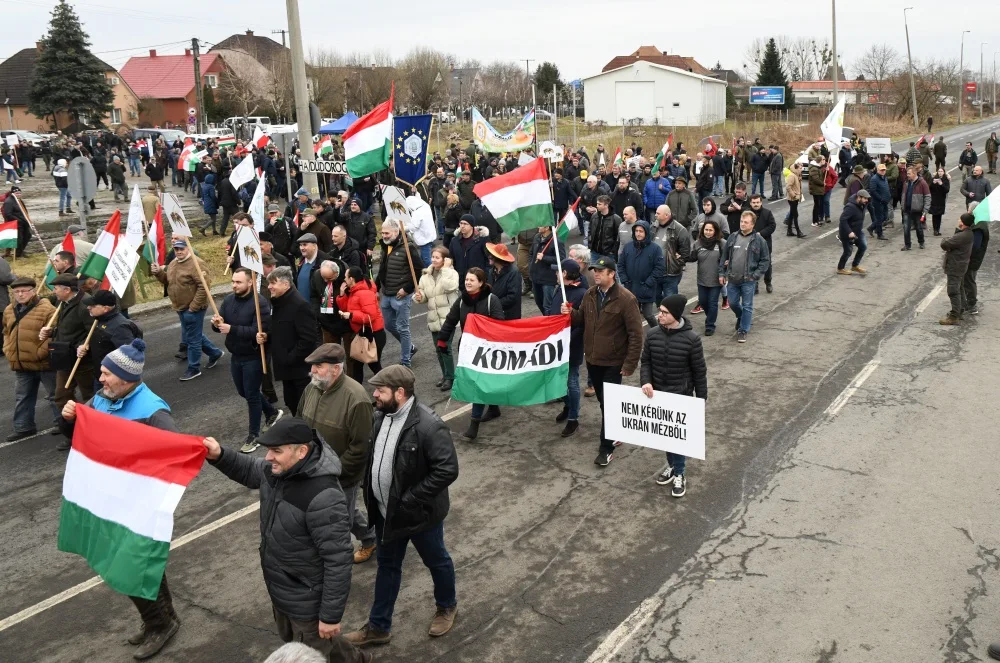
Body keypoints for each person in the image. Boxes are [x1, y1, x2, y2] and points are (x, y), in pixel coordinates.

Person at [202, 418, 371, 663]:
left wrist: (330, 616)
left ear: (301, 451)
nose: (269, 457)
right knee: (318, 642)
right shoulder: (281, 470)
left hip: (306, 600)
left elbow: (338, 560)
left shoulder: (324, 496)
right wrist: (219, 455)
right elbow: (250, 469)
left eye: (276, 451)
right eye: (269, 450)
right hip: (284, 590)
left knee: (311, 647)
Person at [60, 340, 182, 660]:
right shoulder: (103, 398)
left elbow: (172, 457)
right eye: (101, 373)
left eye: (105, 374)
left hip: (139, 503)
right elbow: (79, 434)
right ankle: (163, 617)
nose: (99, 380)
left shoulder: (152, 410)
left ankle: (159, 625)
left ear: (125, 378)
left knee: (127, 567)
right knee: (138, 565)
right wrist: (69, 417)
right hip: (110, 500)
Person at [344, 365, 459, 648]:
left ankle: (447, 606)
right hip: (386, 514)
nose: (375, 395)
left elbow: (447, 470)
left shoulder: (429, 425)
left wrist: (409, 499)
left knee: (437, 561)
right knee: (387, 567)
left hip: (419, 515)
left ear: (400, 392)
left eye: (380, 390)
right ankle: (379, 626)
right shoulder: (380, 416)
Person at [297, 343, 378, 565]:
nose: (312, 370)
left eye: (319, 366)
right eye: (313, 365)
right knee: (345, 511)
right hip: (312, 470)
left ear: (336, 368)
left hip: (340, 476)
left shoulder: (356, 398)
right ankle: (371, 538)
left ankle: (336, 570)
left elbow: (361, 447)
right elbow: (299, 424)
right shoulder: (312, 388)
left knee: (338, 522)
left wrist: (334, 474)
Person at [561, 257, 644, 466]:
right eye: (594, 271)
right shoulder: (590, 294)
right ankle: (615, 430)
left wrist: (629, 364)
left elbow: (636, 334)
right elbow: (582, 320)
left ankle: (605, 448)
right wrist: (571, 313)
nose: (595, 274)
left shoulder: (626, 299)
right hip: (593, 360)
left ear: (611, 274)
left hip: (614, 362)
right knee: (603, 401)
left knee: (609, 404)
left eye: (600, 271)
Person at [642, 294, 708, 498]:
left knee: (676, 438)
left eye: (664, 312)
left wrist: (701, 398)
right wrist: (645, 381)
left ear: (676, 315)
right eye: (659, 311)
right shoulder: (652, 335)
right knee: (665, 436)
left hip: (681, 395)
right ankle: (672, 466)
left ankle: (679, 473)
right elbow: (646, 362)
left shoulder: (692, 339)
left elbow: (699, 371)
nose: (659, 315)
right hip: (658, 395)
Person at [211, 268, 282, 453]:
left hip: (254, 356)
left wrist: (231, 329)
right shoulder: (228, 300)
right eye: (233, 282)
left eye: (238, 282)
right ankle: (272, 413)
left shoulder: (261, 304)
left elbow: (259, 332)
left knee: (251, 394)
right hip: (236, 354)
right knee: (243, 392)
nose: (234, 285)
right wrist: (216, 323)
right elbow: (220, 327)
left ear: (250, 283)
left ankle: (254, 436)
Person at [436, 267, 504, 440]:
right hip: (468, 348)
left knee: (478, 384)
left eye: (471, 280)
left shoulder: (491, 300)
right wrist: (442, 340)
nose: (467, 282)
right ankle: (494, 408)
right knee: (479, 381)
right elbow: (450, 321)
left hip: (487, 349)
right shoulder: (461, 301)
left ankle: (474, 425)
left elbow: (499, 325)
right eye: (466, 279)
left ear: (481, 283)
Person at [151, 239, 224, 381]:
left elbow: (204, 287)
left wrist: (193, 308)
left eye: (181, 249)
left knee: (193, 339)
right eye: (176, 249)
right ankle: (214, 353)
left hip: (193, 309)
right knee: (194, 334)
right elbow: (168, 281)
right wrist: (159, 273)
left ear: (188, 248)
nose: (178, 251)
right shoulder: (173, 263)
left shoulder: (197, 264)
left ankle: (194, 368)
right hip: (180, 307)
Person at [40, 274, 95, 450]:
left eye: (56, 288)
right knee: (61, 396)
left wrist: (83, 346)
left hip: (82, 361)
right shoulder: (62, 303)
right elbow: (67, 328)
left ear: (67, 290)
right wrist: (51, 332)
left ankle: (93, 434)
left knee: (89, 398)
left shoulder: (85, 304)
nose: (53, 291)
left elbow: (92, 331)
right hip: (65, 358)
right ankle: (74, 434)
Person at [3, 276, 59, 441]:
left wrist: (39, 352)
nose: (20, 294)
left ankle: (63, 424)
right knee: (23, 396)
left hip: (43, 363)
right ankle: (23, 427)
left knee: (54, 394)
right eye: (16, 292)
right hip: (21, 363)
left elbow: (53, 335)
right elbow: (6, 332)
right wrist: (8, 350)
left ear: (33, 291)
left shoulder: (47, 309)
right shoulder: (8, 310)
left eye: (24, 291)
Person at [262, 267, 319, 415]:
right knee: (291, 403)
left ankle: (312, 436)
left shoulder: (300, 306)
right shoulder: (278, 303)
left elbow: (308, 339)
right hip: (286, 369)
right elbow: (281, 330)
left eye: (273, 283)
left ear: (286, 284)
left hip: (299, 370)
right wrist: (267, 336)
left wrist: (289, 358)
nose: (269, 287)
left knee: (304, 407)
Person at [719, 211, 771, 343]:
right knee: (733, 303)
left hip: (748, 280)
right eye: (742, 221)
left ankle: (743, 330)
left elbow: (765, 260)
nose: (742, 224)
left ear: (752, 224)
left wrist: (756, 275)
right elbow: (724, 256)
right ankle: (742, 317)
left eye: (746, 222)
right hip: (732, 279)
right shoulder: (733, 237)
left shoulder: (759, 240)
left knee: (747, 305)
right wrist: (722, 273)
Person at [376, 219, 422, 367]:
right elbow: (382, 270)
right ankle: (410, 348)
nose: (384, 235)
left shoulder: (409, 248)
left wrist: (407, 289)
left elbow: (419, 271)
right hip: (386, 294)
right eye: (382, 232)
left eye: (387, 233)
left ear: (396, 232)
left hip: (401, 295)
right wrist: (376, 287)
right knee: (389, 325)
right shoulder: (385, 247)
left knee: (403, 328)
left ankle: (405, 362)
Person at [415, 247, 460, 391]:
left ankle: (450, 378)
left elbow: (450, 287)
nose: (434, 260)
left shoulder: (452, 273)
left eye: (437, 257)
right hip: (434, 318)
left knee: (445, 347)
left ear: (445, 260)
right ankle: (445, 375)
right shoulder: (425, 276)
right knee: (438, 349)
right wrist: (419, 297)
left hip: (448, 318)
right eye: (433, 257)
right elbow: (424, 296)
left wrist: (446, 269)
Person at [77, 289, 140, 385]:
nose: (88, 307)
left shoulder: (120, 327)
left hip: (114, 381)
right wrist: (86, 346)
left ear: (105, 308)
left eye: (93, 306)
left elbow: (129, 356)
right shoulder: (99, 320)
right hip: (102, 376)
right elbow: (103, 344)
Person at [337, 266, 386, 384]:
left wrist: (351, 315)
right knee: (358, 365)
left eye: (346, 277)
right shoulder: (354, 291)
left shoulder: (363, 293)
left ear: (352, 279)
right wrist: (342, 295)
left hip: (373, 335)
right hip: (365, 333)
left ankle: (389, 390)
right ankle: (359, 393)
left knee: (373, 365)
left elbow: (370, 316)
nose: (344, 280)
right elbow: (347, 308)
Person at [618, 220, 665, 327]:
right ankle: (635, 336)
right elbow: (620, 265)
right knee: (632, 315)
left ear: (646, 233)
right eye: (636, 231)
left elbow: (659, 268)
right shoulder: (628, 247)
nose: (638, 233)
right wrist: (625, 280)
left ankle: (658, 331)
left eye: (641, 231)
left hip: (647, 288)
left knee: (648, 315)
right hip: (631, 288)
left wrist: (649, 282)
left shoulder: (655, 249)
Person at [686, 218, 725, 336]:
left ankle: (710, 325)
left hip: (716, 279)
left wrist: (724, 273)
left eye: (710, 230)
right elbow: (692, 258)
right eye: (706, 230)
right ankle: (711, 317)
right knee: (703, 302)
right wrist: (681, 256)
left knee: (713, 303)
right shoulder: (698, 243)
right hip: (702, 279)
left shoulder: (722, 243)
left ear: (715, 231)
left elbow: (727, 259)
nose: (708, 232)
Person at [939, 213, 975, 326]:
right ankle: (961, 309)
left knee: (953, 290)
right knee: (959, 288)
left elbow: (944, 243)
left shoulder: (962, 236)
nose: (958, 220)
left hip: (955, 266)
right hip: (961, 265)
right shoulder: (968, 233)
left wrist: (947, 238)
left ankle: (954, 316)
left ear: (963, 223)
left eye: (960, 219)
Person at [650, 204, 691, 299]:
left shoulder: (680, 230)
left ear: (666, 215)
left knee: (670, 299)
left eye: (658, 213)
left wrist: (676, 263)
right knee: (656, 297)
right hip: (655, 272)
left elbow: (685, 253)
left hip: (670, 274)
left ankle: (673, 314)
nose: (655, 215)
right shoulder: (653, 227)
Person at [529, 224, 566, 315]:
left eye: (540, 225)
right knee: (539, 301)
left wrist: (544, 258)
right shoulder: (537, 237)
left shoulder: (557, 242)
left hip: (548, 279)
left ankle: (549, 322)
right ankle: (546, 317)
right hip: (536, 276)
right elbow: (531, 253)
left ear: (547, 228)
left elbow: (561, 259)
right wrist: (531, 265)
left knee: (548, 305)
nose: (538, 227)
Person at [485, 241, 522, 321]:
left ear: (497, 258)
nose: (489, 257)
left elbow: (512, 297)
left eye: (491, 255)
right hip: (495, 313)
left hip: (509, 315)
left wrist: (494, 304)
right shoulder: (492, 271)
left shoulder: (514, 272)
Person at [837, 190, 870, 275]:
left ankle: (855, 266)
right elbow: (843, 220)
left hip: (858, 231)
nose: (867, 200)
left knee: (863, 246)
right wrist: (849, 232)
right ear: (859, 197)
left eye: (867, 199)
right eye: (865, 198)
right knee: (848, 251)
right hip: (847, 233)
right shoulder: (850, 207)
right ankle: (840, 268)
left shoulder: (863, 205)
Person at [963, 203, 989, 315]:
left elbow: (975, 245)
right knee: (968, 280)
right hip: (973, 258)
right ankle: (968, 302)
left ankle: (972, 305)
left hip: (973, 259)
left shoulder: (979, 225)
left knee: (969, 280)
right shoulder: (978, 222)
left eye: (968, 209)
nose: (967, 211)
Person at [901, 166, 930, 251]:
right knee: (906, 228)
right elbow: (903, 195)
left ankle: (921, 242)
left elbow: (927, 197)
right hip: (907, 210)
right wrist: (903, 206)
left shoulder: (922, 183)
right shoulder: (906, 183)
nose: (907, 175)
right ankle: (907, 245)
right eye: (907, 173)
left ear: (914, 173)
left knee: (918, 227)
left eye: (909, 173)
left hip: (917, 210)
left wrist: (925, 211)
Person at [588, 195, 621, 263]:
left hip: (608, 254)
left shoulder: (616, 219)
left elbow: (618, 237)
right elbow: (590, 230)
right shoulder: (594, 216)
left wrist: (612, 251)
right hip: (594, 252)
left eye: (599, 204)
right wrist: (590, 244)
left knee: (606, 272)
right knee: (593, 272)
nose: (597, 206)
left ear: (606, 205)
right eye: (597, 203)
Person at [2, 186, 31, 258]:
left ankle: (20, 251)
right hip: (16, 224)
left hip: (24, 222)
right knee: (19, 239)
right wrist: (18, 220)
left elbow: (24, 211)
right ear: (12, 193)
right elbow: (8, 214)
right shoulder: (9, 202)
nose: (18, 194)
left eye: (19, 193)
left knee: (27, 236)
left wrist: (28, 220)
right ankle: (18, 254)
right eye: (16, 193)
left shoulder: (19, 200)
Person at [866, 162, 891, 240]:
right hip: (878, 202)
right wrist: (880, 198)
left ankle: (871, 227)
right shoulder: (874, 179)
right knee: (880, 218)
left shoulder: (885, 178)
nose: (883, 171)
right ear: (877, 170)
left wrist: (889, 196)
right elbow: (873, 191)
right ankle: (880, 234)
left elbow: (886, 188)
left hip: (885, 201)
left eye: (884, 170)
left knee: (885, 217)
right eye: (881, 170)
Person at [928, 167, 952, 237]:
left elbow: (947, 190)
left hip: (941, 200)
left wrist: (941, 184)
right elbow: (929, 188)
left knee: (939, 215)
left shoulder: (945, 180)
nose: (940, 172)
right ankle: (935, 229)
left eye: (941, 171)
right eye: (939, 171)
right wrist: (933, 183)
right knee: (934, 215)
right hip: (934, 199)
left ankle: (937, 229)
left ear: (944, 172)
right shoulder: (934, 178)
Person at [785, 162, 805, 237]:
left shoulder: (796, 175)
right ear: (795, 168)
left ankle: (789, 231)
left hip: (795, 198)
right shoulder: (792, 176)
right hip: (792, 199)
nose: (801, 169)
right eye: (800, 168)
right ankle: (798, 232)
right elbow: (788, 187)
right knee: (795, 215)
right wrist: (793, 195)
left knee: (792, 215)